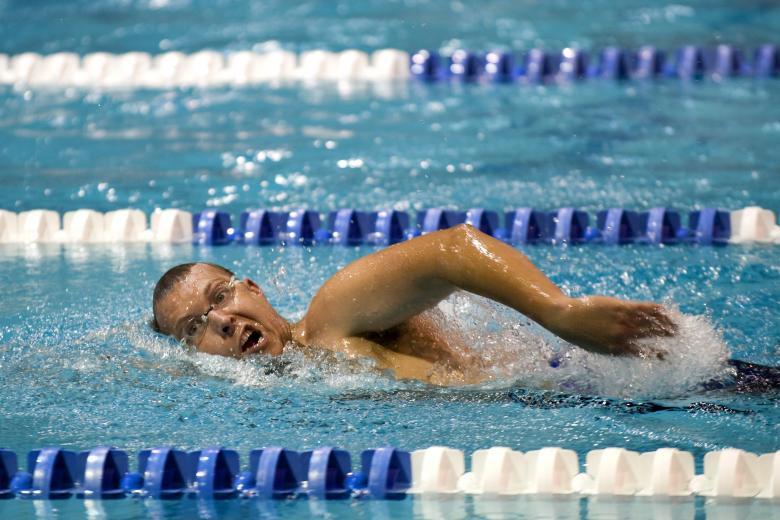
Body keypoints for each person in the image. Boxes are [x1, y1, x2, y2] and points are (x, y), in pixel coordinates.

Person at [151, 224, 679, 385]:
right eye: (194, 327)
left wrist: (559, 312)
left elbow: (449, 250)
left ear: (254, 289)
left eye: (220, 297)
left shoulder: (332, 317)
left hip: (604, 385)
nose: (222, 321)